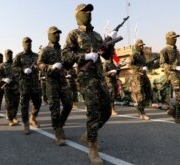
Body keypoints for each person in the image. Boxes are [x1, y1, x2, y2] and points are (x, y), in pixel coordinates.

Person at [61, 4, 111, 164]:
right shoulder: (73, 35)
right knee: (93, 110)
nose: (88, 13)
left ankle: (89, 134)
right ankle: (93, 146)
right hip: (85, 77)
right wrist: (85, 57)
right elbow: (66, 57)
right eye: (85, 11)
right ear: (78, 14)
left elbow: (107, 55)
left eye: (90, 11)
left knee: (107, 110)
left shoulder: (97, 36)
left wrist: (110, 41)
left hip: (99, 76)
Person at [38, 26, 73, 146]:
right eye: (55, 33)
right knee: (55, 107)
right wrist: (50, 67)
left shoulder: (63, 50)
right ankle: (58, 131)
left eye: (58, 33)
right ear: (49, 35)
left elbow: (67, 64)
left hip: (63, 81)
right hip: (51, 82)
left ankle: (60, 124)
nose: (57, 35)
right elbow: (39, 64)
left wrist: (69, 63)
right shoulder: (45, 50)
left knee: (68, 104)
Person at [160, 31, 180, 124]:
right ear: (168, 38)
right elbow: (162, 64)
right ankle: (179, 117)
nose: (175, 39)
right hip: (171, 74)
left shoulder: (176, 50)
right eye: (173, 37)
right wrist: (172, 67)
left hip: (179, 73)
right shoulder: (164, 50)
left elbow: (177, 62)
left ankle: (173, 110)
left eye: (176, 37)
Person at [16, 37, 42, 134]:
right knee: (24, 105)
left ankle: (33, 118)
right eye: (26, 43)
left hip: (35, 83)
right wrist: (23, 70)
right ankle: (26, 124)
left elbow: (40, 65)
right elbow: (14, 68)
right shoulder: (19, 56)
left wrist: (37, 67)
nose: (28, 44)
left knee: (38, 102)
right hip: (24, 84)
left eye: (30, 43)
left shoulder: (36, 56)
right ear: (23, 44)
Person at [0, 49, 19, 126]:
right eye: (7, 54)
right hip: (7, 87)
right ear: (5, 55)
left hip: (16, 86)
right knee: (9, 103)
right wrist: (4, 79)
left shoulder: (16, 64)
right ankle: (10, 119)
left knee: (16, 103)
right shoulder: (2, 65)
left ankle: (14, 116)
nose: (9, 55)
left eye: (10, 54)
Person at [130, 39, 151, 120]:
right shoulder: (134, 55)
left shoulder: (142, 55)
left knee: (148, 92)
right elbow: (131, 65)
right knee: (140, 95)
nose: (142, 46)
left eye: (142, 45)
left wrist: (146, 68)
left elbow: (145, 65)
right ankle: (141, 113)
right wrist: (140, 68)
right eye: (140, 45)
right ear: (136, 46)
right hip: (137, 77)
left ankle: (141, 108)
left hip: (144, 75)